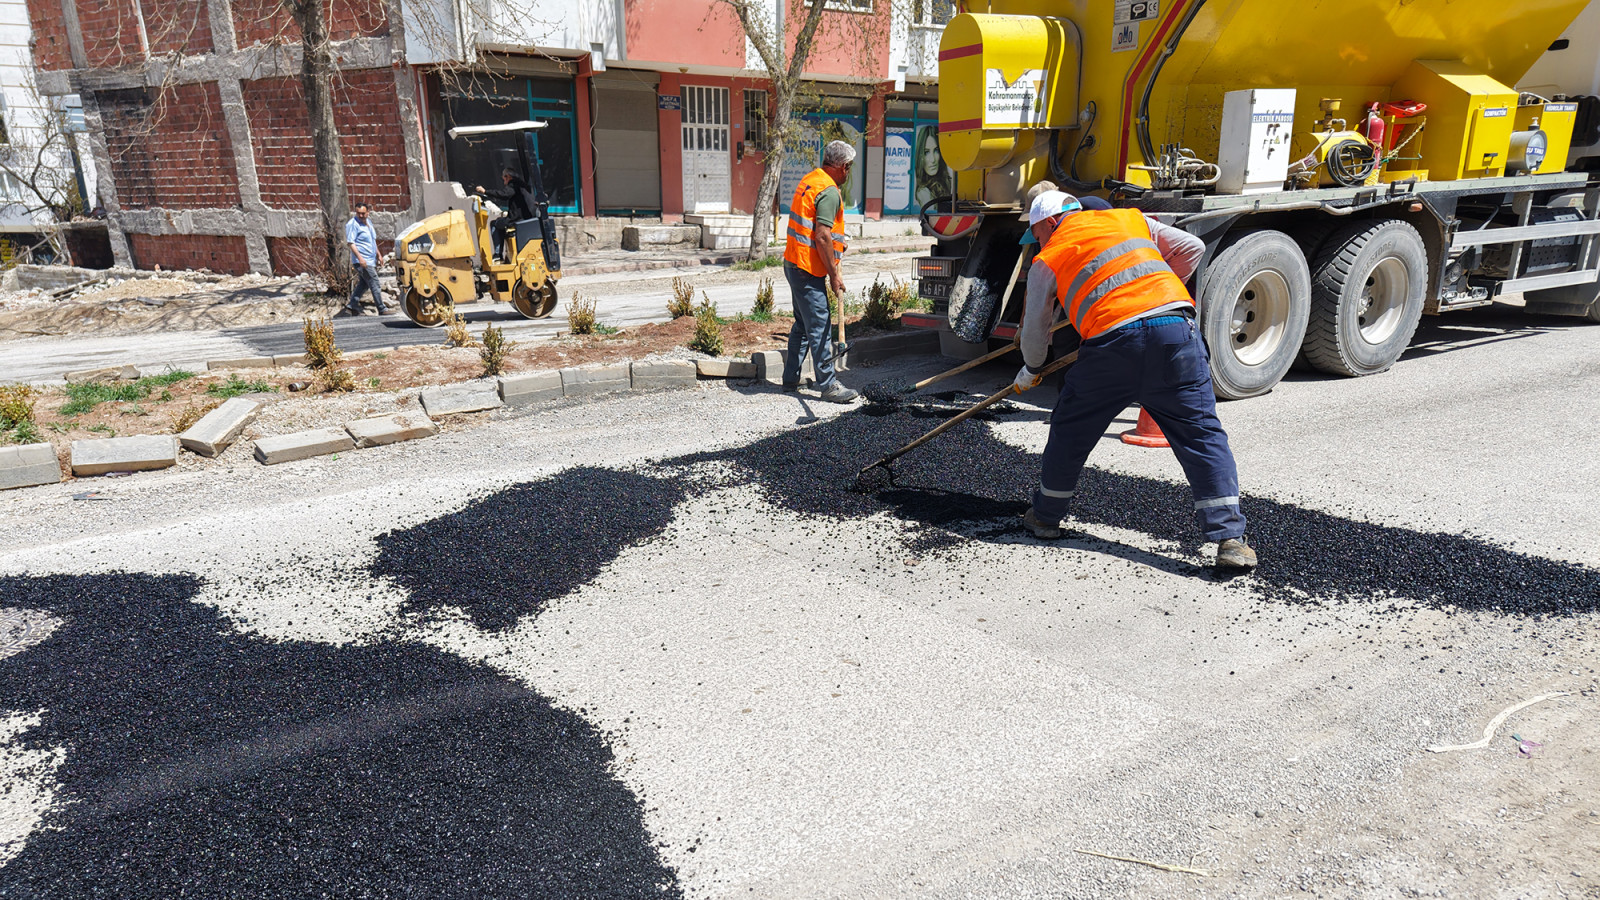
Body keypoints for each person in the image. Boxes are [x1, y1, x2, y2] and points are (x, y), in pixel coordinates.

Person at [1013, 191, 1258, 570]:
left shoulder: (1050, 255)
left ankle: (1045, 517)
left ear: (1049, 223)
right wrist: (1153, 298)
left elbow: (1035, 329)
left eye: (1037, 235)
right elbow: (1191, 247)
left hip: (1111, 347)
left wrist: (1031, 368)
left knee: (1071, 430)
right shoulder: (1130, 218)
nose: (1038, 243)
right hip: (1176, 334)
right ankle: (1230, 540)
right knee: (1201, 434)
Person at [781, 139, 860, 404]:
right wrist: (834, 275)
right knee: (820, 326)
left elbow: (817, 231)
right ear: (843, 166)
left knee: (803, 325)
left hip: (793, 262)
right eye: (849, 167)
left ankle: (791, 378)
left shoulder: (811, 179)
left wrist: (838, 247)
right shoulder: (828, 191)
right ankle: (828, 385)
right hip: (806, 268)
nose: (848, 172)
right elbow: (822, 235)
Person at [476, 167, 534, 261]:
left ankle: (498, 254)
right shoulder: (523, 185)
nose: (504, 183)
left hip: (518, 219)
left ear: (508, 177)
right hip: (525, 218)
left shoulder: (514, 184)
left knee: (494, 223)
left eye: (504, 179)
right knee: (501, 222)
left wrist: (485, 191)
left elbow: (504, 194)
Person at [343, 202, 389, 316]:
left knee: (364, 284)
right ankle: (382, 308)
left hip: (370, 259)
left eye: (363, 213)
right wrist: (360, 258)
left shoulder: (369, 222)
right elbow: (351, 243)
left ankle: (351, 306)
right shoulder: (352, 224)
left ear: (368, 212)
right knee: (374, 282)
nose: (361, 216)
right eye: (358, 213)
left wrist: (379, 254)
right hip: (362, 261)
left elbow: (372, 240)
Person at [913, 127, 951, 208]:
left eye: (936, 150)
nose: (933, 159)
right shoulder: (924, 193)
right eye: (926, 152)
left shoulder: (946, 182)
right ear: (920, 155)